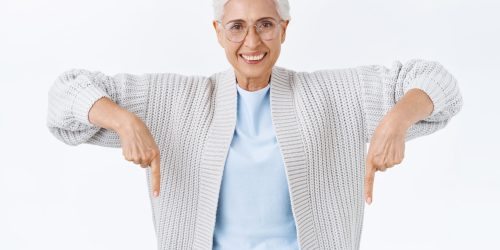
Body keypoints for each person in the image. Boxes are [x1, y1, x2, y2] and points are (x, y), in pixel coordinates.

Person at [46, 0, 463, 249]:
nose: (252, 42)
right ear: (218, 31)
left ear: (284, 29)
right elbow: (64, 97)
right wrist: (123, 120)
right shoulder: (176, 101)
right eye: (237, 27)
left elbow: (438, 82)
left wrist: (396, 119)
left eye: (265, 25)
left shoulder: (333, 95)